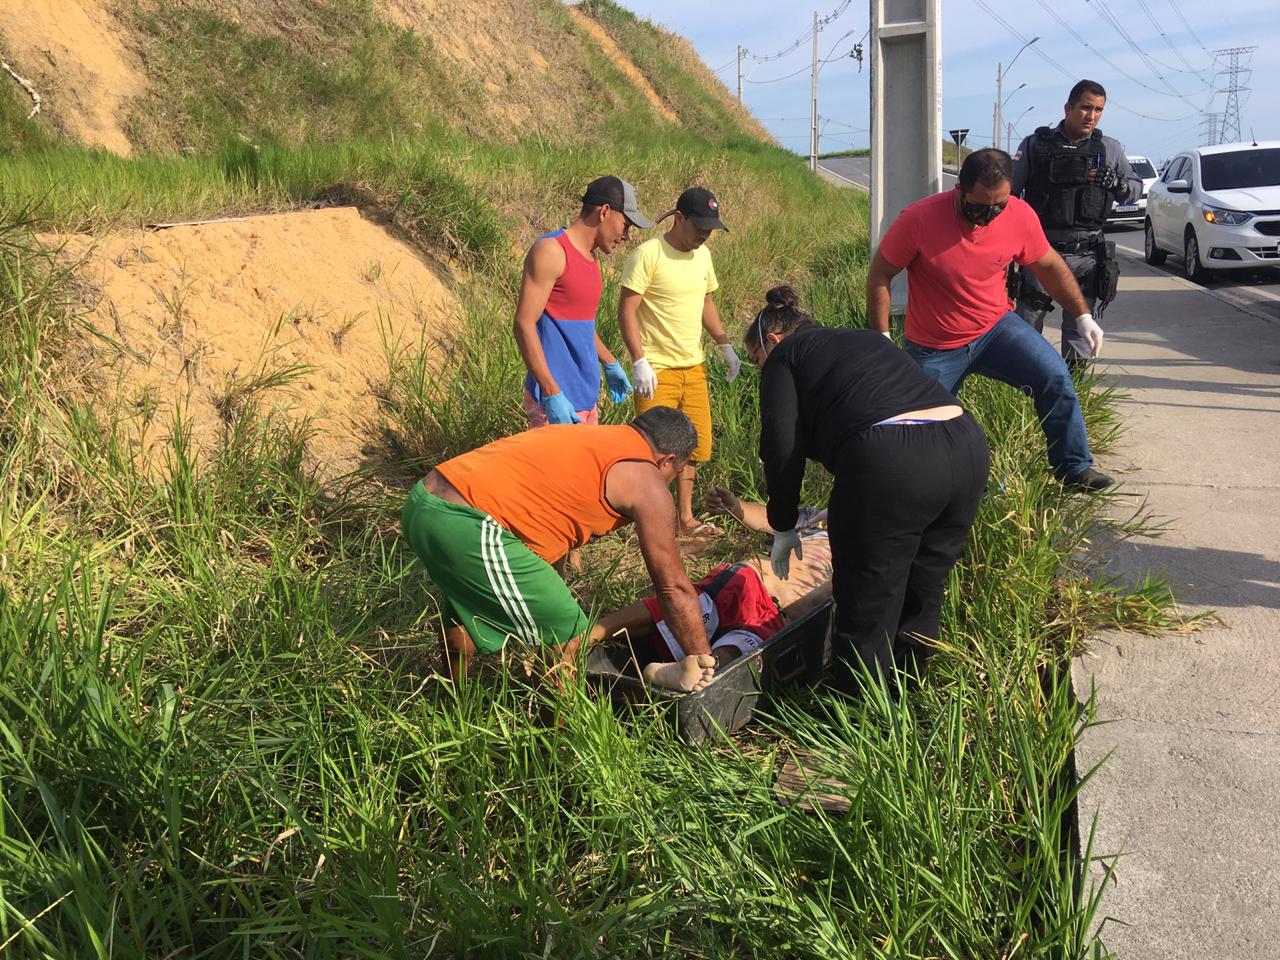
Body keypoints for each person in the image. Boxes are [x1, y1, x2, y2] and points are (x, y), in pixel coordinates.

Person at [745, 285, 991, 691]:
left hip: (894, 460)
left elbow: (780, 447)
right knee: (923, 590)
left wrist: (783, 523)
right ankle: (910, 693)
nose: (761, 370)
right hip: (965, 445)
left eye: (757, 361)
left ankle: (862, 714)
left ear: (773, 339)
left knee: (867, 602)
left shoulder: (785, 356)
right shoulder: (864, 338)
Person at [401, 407, 717, 693]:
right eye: (675, 474)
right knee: (567, 632)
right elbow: (673, 587)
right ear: (666, 461)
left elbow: (548, 508)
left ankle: (454, 698)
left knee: (466, 605)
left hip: (423, 503)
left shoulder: (595, 439)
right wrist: (701, 660)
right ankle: (557, 736)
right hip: (466, 524)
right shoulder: (645, 477)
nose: (668, 484)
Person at [867, 147, 1115, 492]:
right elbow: (880, 274)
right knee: (916, 429)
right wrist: (881, 337)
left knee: (1055, 377)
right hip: (935, 345)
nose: (989, 215)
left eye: (999, 206)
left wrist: (1082, 314)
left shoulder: (1018, 215)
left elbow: (1048, 266)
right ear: (959, 190)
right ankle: (952, 488)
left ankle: (1074, 468)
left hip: (995, 329)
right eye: (979, 207)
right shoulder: (919, 219)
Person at [589, 489, 833, 669]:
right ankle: (586, 636)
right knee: (681, 609)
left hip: (776, 616)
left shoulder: (857, 555)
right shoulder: (820, 519)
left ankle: (689, 673)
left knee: (733, 655)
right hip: (752, 581)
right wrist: (736, 506)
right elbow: (774, 518)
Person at [618, 186, 742, 538]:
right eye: (699, 226)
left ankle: (685, 520)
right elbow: (626, 310)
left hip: (694, 367)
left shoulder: (703, 257)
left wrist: (724, 344)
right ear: (679, 218)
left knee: (694, 447)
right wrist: (639, 360)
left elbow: (706, 303)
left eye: (710, 228)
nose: (705, 234)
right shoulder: (649, 254)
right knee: (654, 450)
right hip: (657, 370)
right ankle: (650, 524)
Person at [1011, 80, 1141, 365]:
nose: (1091, 116)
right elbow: (1009, 195)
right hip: (1042, 253)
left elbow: (1134, 190)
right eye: (1085, 107)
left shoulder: (1109, 149)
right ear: (1068, 107)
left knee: (1080, 332)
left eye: (1098, 110)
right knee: (1027, 328)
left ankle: (1074, 386)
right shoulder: (1036, 145)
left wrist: (1117, 183)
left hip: (1087, 255)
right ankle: (1028, 384)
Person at [514, 176, 654, 428]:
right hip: (555, 403)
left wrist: (609, 361)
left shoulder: (591, 257)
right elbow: (523, 324)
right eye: (625, 225)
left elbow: (580, 325)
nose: (626, 236)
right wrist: (552, 393)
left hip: (585, 399)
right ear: (605, 211)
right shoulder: (551, 251)